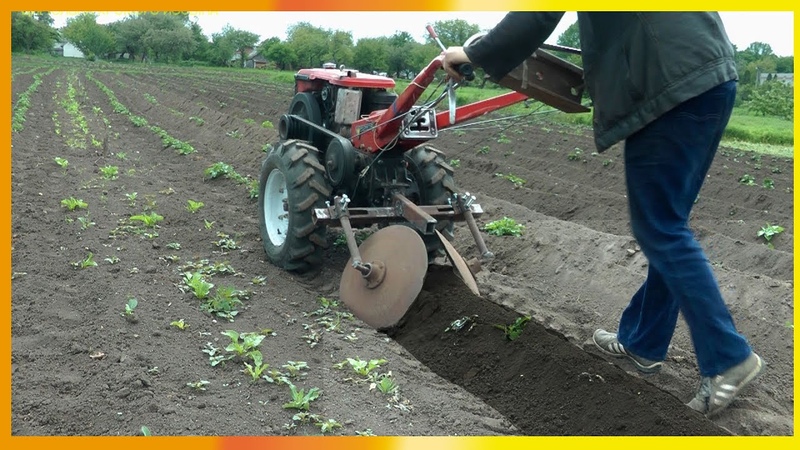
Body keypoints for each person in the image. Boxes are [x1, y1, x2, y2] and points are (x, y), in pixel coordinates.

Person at [442, 12, 764, 417]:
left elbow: (539, 12)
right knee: (667, 225)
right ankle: (643, 342)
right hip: (710, 76)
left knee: (660, 229)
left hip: (668, 84)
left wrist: (474, 51)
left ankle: (728, 358)